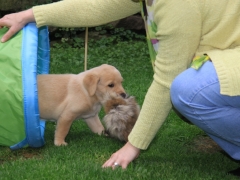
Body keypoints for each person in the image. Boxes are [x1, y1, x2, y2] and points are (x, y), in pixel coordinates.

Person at [1, 0, 240, 176]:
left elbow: (168, 79)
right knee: (186, 95)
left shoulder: (178, 4)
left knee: (187, 92)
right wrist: (30, 14)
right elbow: (95, 6)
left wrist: (132, 145)